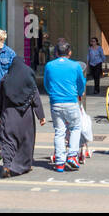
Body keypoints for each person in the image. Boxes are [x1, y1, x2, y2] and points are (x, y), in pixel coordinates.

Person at [0, 56, 44, 177]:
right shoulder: (28, 79)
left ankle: (7, 165)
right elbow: (35, 97)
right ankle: (25, 165)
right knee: (26, 141)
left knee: (8, 141)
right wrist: (41, 116)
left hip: (9, 114)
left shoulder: (5, 79)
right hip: (25, 116)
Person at [43, 38, 86, 172]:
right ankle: (72, 156)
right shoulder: (75, 66)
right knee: (75, 127)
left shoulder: (49, 66)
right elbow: (81, 84)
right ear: (70, 52)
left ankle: (60, 161)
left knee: (59, 131)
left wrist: (52, 93)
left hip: (55, 102)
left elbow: (46, 83)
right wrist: (79, 93)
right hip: (71, 101)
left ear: (56, 52)